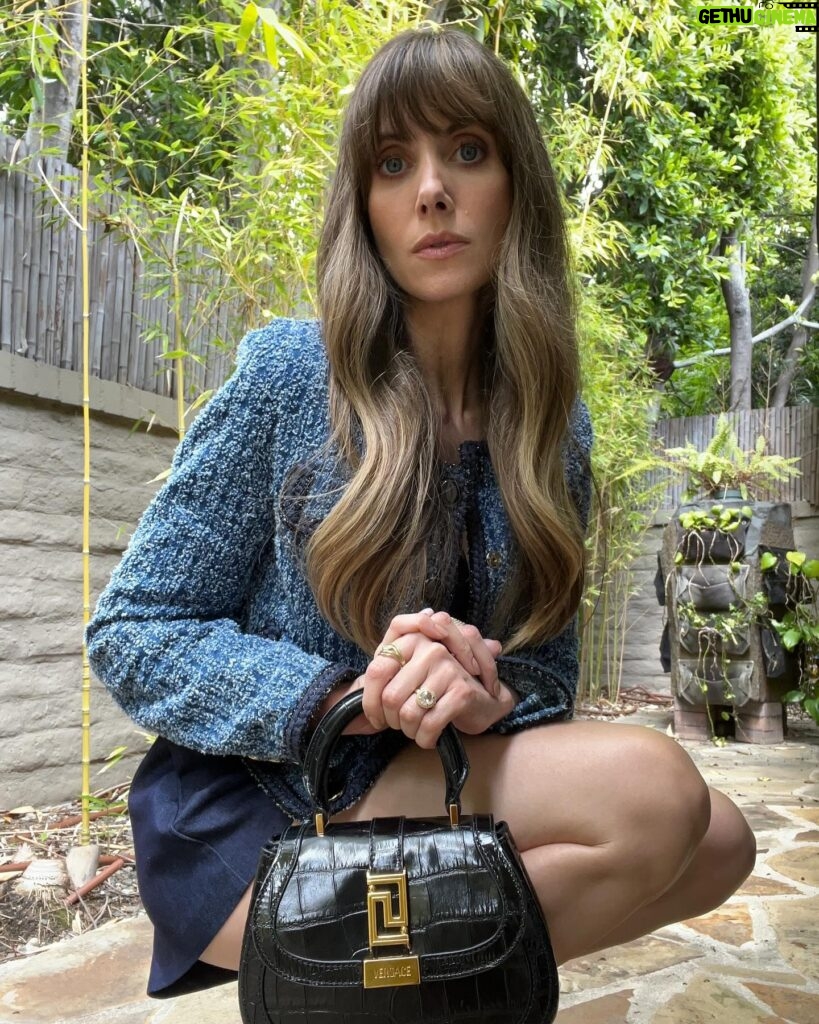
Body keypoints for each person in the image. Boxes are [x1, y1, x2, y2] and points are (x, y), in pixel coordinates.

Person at [86, 27, 756, 998]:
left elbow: (543, 678)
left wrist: (487, 694)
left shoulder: (552, 426)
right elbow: (135, 629)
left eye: (467, 152)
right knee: (656, 795)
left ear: (515, 187)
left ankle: (381, 1001)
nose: (432, 189)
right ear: (365, 204)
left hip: (427, 776)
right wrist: (337, 697)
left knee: (722, 843)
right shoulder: (289, 374)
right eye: (395, 162)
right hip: (259, 806)